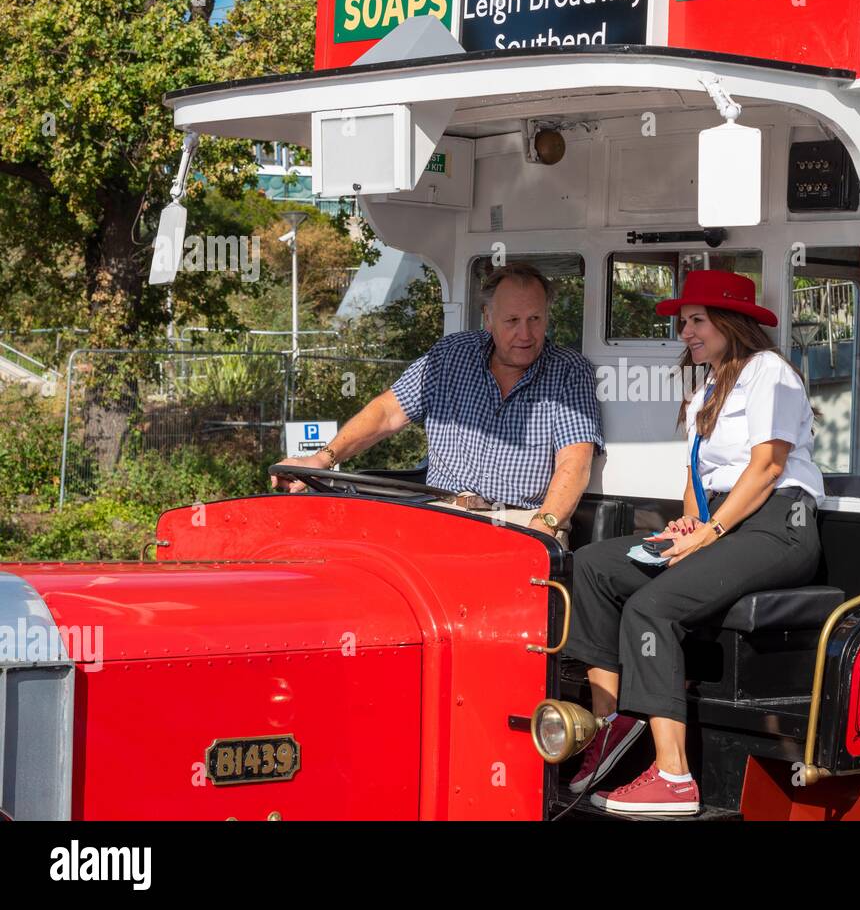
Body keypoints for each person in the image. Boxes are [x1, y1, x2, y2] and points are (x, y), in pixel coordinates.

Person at [561, 269, 823, 815]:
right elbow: (696, 476)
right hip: (724, 522)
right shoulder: (707, 384)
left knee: (650, 608)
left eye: (696, 320)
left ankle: (675, 779)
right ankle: (612, 723)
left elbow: (768, 466)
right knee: (590, 565)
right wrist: (687, 525)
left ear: (732, 322)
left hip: (778, 526)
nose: (686, 332)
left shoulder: (769, 373)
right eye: (683, 322)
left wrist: (712, 531)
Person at [271, 262, 603, 546]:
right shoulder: (450, 355)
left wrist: (543, 527)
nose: (526, 334)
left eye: (535, 319)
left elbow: (574, 465)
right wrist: (321, 459)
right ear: (487, 318)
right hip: (445, 513)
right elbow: (387, 413)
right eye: (512, 321)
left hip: (523, 519)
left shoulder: (569, 371)